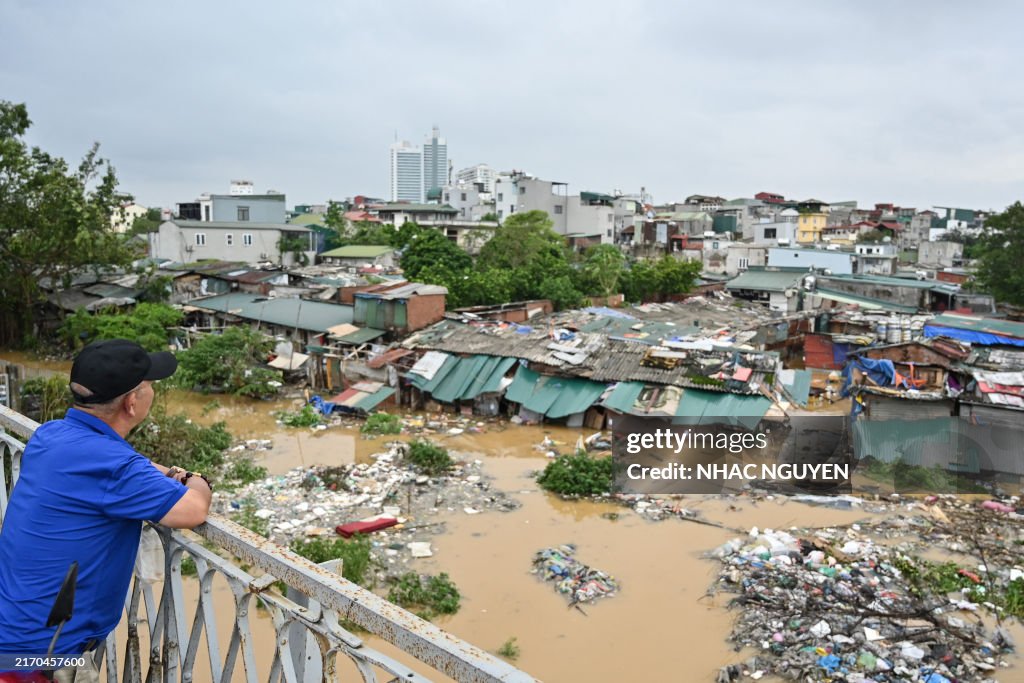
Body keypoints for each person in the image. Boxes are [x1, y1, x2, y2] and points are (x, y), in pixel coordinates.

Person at [0, 339, 213, 683]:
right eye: (149, 386)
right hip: (38, 657)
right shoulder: (113, 468)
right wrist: (196, 478)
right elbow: (193, 509)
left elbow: (126, 464)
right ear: (131, 403)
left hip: (12, 628)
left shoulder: (51, 435)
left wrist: (164, 473)